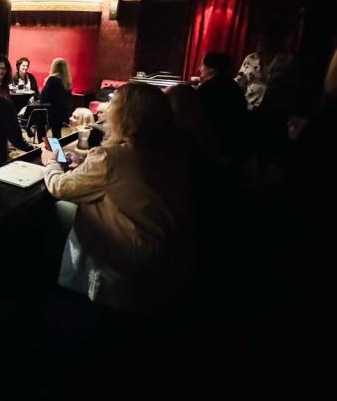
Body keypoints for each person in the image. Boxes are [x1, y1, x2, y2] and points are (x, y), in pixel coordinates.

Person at [41, 82, 192, 312]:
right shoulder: (169, 154)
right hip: (158, 261)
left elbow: (59, 187)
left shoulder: (109, 158)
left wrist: (51, 162)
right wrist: (85, 163)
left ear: (124, 116)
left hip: (117, 265)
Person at [196, 52, 247, 163]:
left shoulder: (207, 89)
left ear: (212, 69)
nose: (199, 68)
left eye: (202, 65)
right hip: (236, 145)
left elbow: (199, 121)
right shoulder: (234, 87)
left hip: (215, 147)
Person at [236, 32, 294, 110]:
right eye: (260, 39)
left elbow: (291, 88)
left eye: (264, 39)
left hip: (275, 109)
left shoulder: (289, 61)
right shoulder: (251, 58)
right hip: (249, 107)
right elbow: (240, 82)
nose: (261, 42)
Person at [39, 57, 73, 138]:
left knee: (41, 130)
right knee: (56, 134)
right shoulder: (67, 81)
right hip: (61, 112)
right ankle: (56, 145)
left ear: (53, 67)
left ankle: (42, 145)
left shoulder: (52, 79)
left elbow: (44, 98)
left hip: (50, 111)